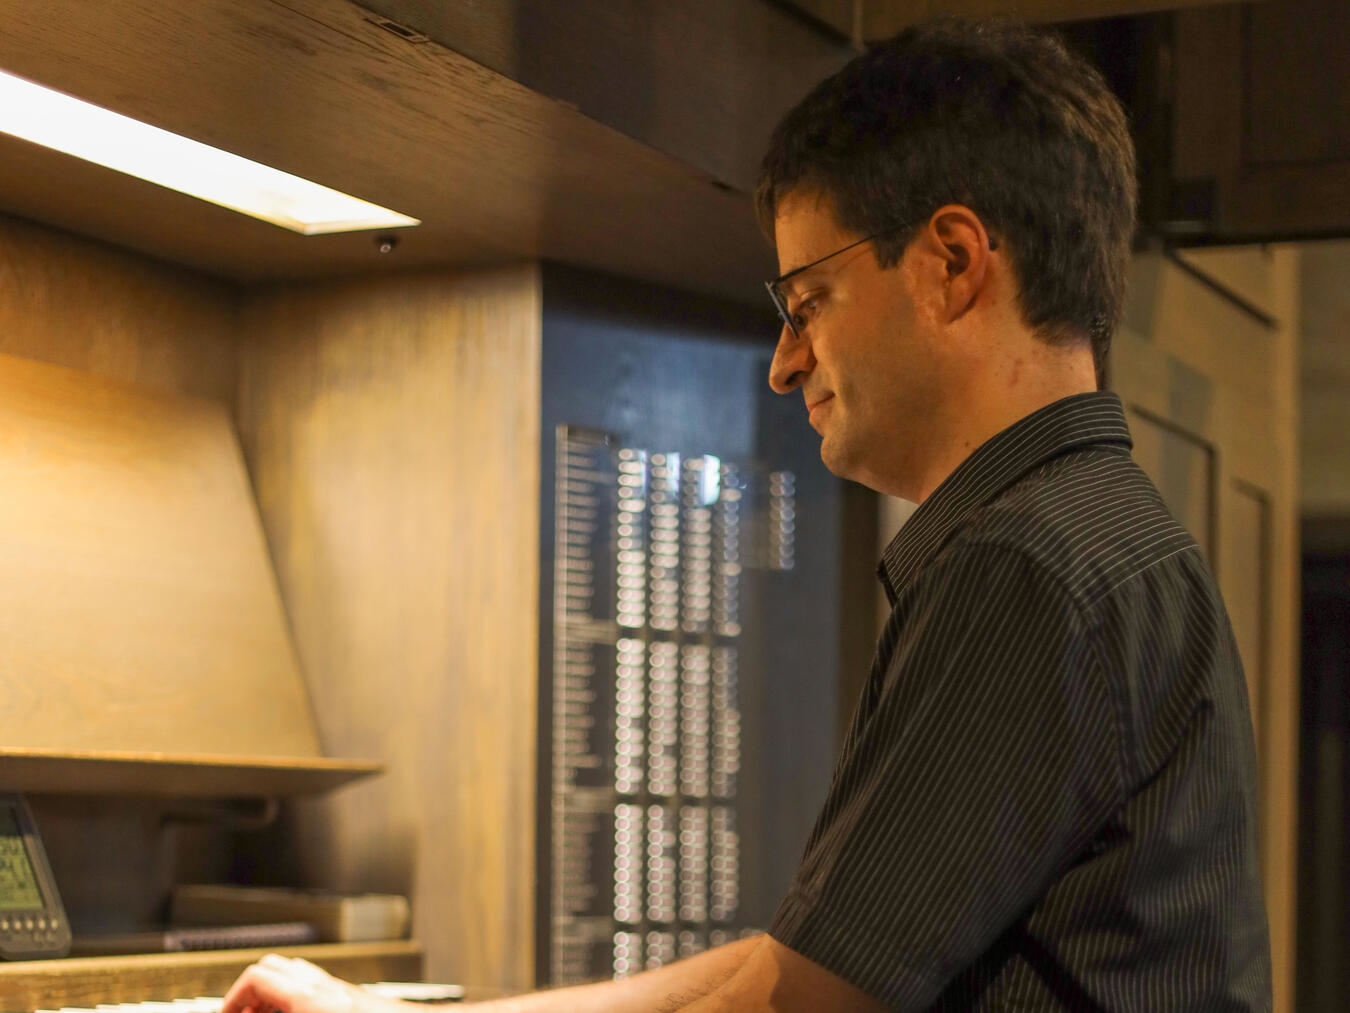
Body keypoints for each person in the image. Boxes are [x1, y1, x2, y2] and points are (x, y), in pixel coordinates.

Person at [221, 17, 1271, 1013]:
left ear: (951, 264)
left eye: (806, 302)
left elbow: (789, 1002)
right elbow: (802, 959)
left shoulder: (1030, 561)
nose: (782, 363)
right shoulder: (1094, 534)